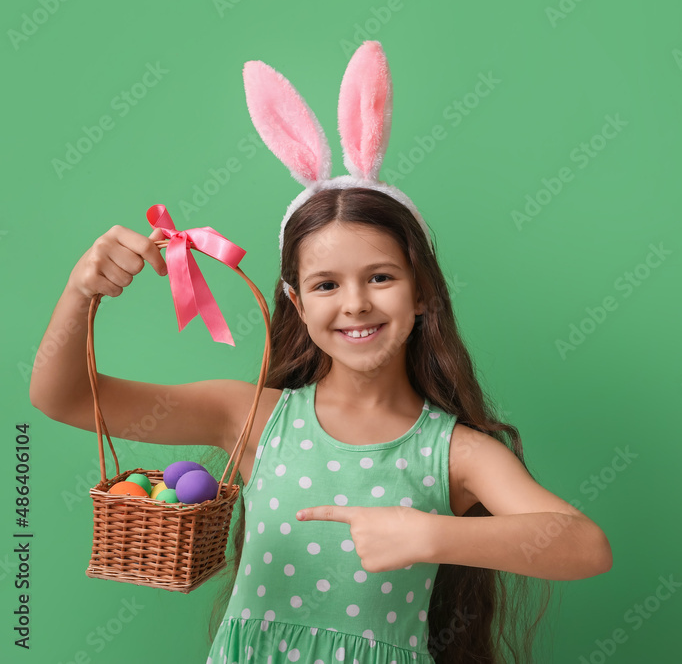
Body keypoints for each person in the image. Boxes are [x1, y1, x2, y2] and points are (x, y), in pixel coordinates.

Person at [29, 41, 611, 664]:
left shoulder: (456, 453)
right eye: (326, 285)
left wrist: (428, 534)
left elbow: (583, 546)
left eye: (381, 277)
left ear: (422, 293)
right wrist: (79, 294)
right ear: (297, 304)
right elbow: (60, 397)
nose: (355, 303)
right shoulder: (250, 417)